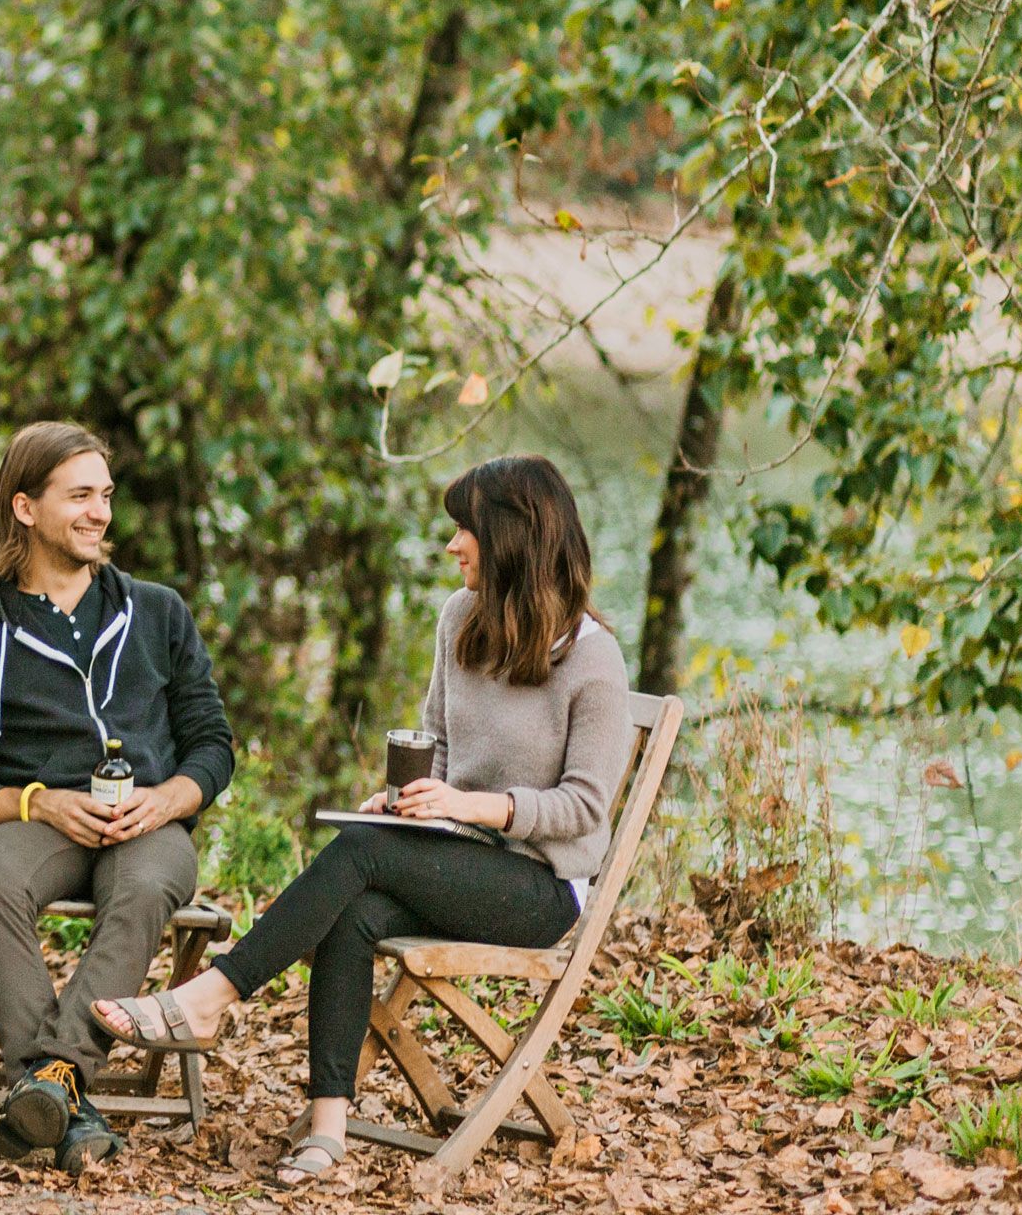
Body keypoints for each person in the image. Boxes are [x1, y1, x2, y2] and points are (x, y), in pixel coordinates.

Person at [90, 454, 633, 1190]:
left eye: (462, 531)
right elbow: (435, 744)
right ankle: (327, 1128)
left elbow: (586, 808)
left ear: (509, 540)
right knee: (356, 908)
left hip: (540, 885)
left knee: (360, 856)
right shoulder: (459, 619)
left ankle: (210, 998)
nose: (450, 547)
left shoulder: (594, 662)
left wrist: (469, 806)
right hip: (454, 854)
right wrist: (411, 799)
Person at [0, 421, 235, 1174]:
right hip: (47, 818)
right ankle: (65, 1099)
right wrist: (39, 803)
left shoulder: (157, 612)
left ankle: (48, 1082)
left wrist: (170, 799)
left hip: (150, 823)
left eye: (106, 495)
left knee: (146, 884)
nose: (101, 512)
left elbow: (213, 744)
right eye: (81, 496)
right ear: (25, 508)